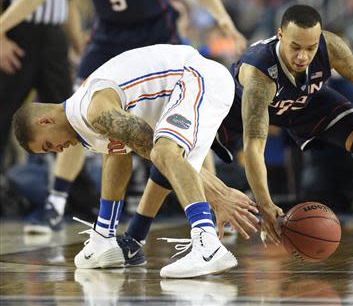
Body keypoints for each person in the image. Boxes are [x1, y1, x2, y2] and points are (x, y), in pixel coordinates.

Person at [0, 0, 247, 234]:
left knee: (187, 123)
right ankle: (57, 203)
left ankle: (211, 206)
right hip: (109, 36)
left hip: (154, 29)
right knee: (72, 117)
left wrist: (221, 17)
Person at [215, 4, 353, 265]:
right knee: (182, 153)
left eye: (310, 48)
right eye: (295, 47)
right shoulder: (259, 73)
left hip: (305, 102)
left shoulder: (330, 46)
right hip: (236, 108)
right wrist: (265, 205)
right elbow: (255, 149)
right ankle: (204, 229)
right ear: (280, 35)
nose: (303, 56)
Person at [12, 44, 259, 278]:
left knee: (163, 152)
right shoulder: (81, 120)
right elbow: (118, 157)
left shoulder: (95, 111)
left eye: (48, 145)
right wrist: (105, 234)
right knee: (153, 153)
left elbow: (154, 149)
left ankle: (208, 245)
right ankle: (104, 238)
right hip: (180, 89)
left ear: (45, 121)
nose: (57, 150)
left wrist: (218, 193)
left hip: (197, 77)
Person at [0, 0, 82, 175]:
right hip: (16, 37)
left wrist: (80, 47)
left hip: (54, 38)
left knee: (67, 121)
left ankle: (75, 200)